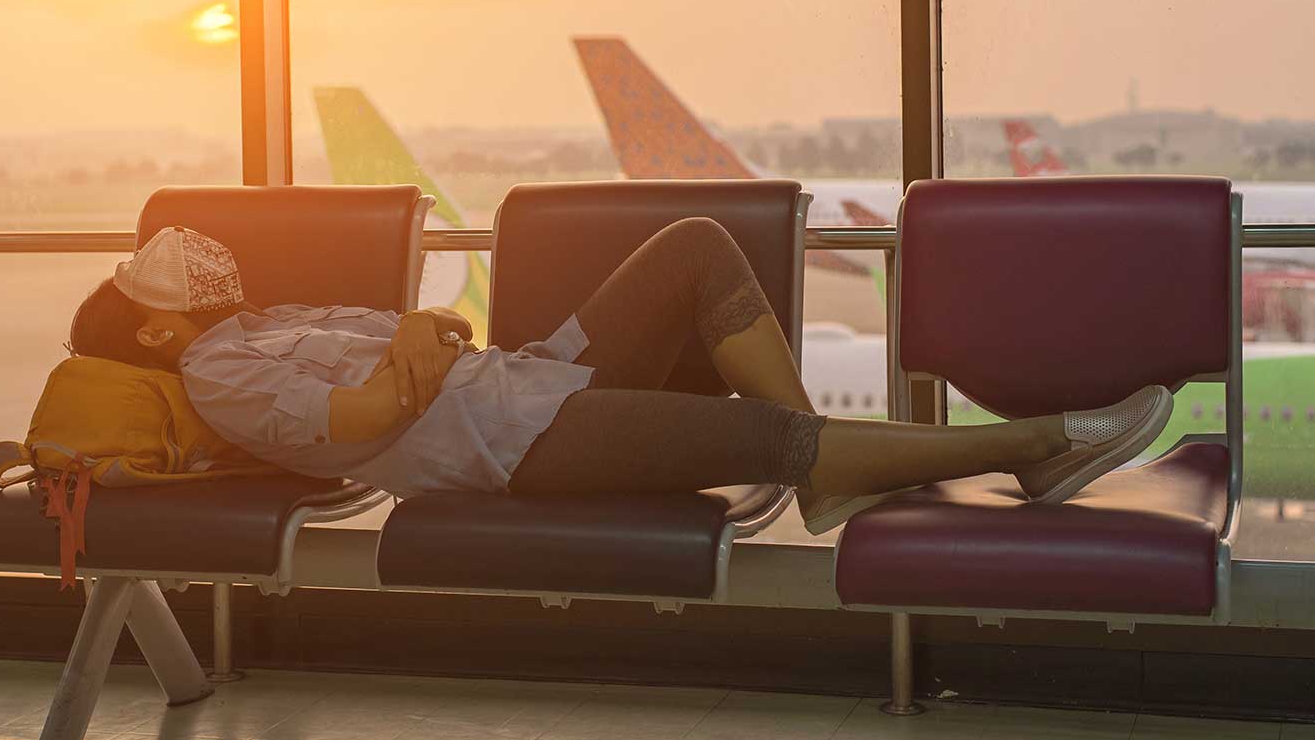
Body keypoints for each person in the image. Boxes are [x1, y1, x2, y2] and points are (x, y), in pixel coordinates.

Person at [67, 221, 1174, 533]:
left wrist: (423, 330)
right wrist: (418, 341)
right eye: (172, 286)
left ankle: (825, 476)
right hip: (510, 446)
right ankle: (1040, 442)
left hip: (526, 375)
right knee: (761, 437)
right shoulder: (223, 379)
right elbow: (371, 414)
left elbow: (440, 324)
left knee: (694, 246)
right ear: (156, 338)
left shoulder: (269, 318)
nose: (213, 274)